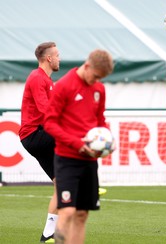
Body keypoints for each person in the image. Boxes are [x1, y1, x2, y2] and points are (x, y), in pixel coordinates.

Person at [44, 49, 114, 244]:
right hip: (67, 160)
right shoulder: (64, 85)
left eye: (101, 78)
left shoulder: (99, 88)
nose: (96, 81)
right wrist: (77, 144)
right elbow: (49, 123)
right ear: (88, 65)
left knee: (82, 214)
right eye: (96, 76)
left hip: (90, 161)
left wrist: (108, 140)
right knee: (66, 212)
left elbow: (99, 120)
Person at [19, 41, 60, 243]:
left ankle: (47, 235)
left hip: (38, 135)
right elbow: (46, 112)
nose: (60, 58)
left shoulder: (47, 80)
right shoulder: (37, 78)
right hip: (34, 135)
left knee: (61, 185)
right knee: (75, 138)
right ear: (49, 58)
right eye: (58, 55)